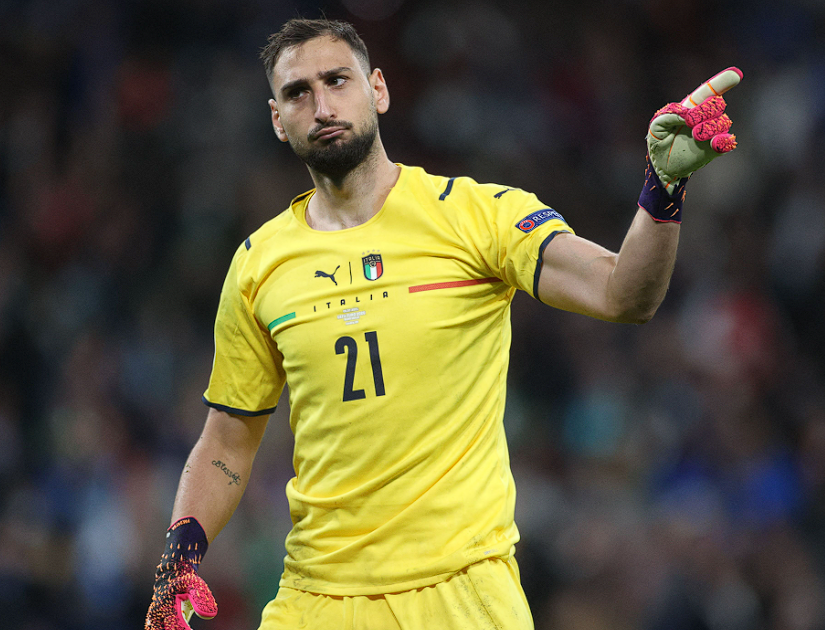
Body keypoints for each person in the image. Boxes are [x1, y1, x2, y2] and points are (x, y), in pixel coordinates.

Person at [144, 17, 740, 630]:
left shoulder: (478, 215)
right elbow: (228, 440)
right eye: (298, 93)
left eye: (337, 80)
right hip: (315, 596)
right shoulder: (257, 265)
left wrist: (664, 187)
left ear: (378, 89)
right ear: (277, 119)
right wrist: (179, 555)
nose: (321, 106)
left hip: (460, 592)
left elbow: (623, 294)